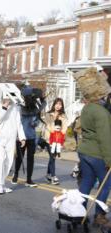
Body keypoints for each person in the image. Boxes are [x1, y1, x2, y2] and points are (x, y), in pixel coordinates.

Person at [74, 67, 111, 228]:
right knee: (106, 183)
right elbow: (105, 138)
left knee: (87, 182)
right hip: (97, 154)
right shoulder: (102, 113)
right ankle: (99, 215)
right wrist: (109, 159)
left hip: (84, 152)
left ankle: (78, 212)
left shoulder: (87, 108)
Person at [0, 95, 26, 194]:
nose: (9, 98)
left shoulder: (16, 107)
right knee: (0, 158)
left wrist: (22, 137)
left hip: (10, 138)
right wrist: (4, 107)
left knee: (8, 161)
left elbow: (18, 123)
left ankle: (2, 183)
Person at [12, 86, 40, 187]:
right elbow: (16, 120)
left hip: (32, 136)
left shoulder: (35, 107)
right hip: (21, 136)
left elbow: (37, 120)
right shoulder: (19, 107)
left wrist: (35, 123)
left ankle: (29, 179)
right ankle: (15, 175)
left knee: (31, 158)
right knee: (19, 157)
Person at [41, 98, 68, 185]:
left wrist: (61, 134)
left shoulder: (63, 116)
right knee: (52, 157)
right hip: (50, 139)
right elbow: (48, 125)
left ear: (62, 106)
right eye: (57, 104)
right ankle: (53, 176)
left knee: (52, 158)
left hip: (58, 139)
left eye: (60, 104)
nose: (58, 106)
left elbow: (65, 127)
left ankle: (48, 174)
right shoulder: (49, 114)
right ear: (54, 104)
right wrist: (54, 131)